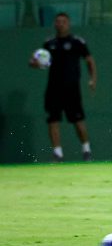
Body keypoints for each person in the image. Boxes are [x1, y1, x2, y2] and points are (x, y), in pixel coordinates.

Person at [28, 13, 97, 162]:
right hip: (53, 89)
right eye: (58, 21)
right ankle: (58, 154)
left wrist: (92, 79)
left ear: (69, 24)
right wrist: (35, 63)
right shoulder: (49, 43)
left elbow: (90, 61)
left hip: (72, 88)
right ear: (54, 24)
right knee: (53, 120)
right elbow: (38, 62)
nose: (60, 24)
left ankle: (86, 150)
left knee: (78, 120)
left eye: (63, 22)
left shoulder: (78, 42)